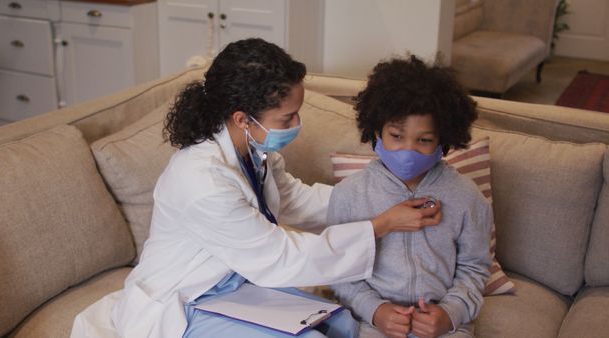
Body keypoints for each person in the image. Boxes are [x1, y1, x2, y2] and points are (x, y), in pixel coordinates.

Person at [70, 39, 442, 338]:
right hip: (187, 300)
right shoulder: (201, 181)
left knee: (341, 323)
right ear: (241, 119)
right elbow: (277, 257)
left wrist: (379, 201)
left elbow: (297, 199)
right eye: (288, 117)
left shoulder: (253, 150)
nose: (298, 123)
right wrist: (380, 227)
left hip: (232, 284)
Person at [327, 55, 492, 338]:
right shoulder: (349, 195)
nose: (408, 150)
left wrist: (450, 314)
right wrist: (376, 311)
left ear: (444, 140)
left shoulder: (467, 196)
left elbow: (475, 268)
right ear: (377, 131)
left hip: (445, 325)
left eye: (424, 140)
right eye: (397, 136)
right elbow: (340, 270)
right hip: (374, 323)